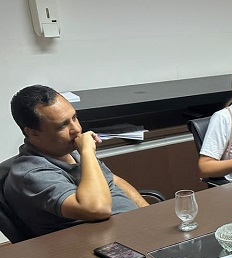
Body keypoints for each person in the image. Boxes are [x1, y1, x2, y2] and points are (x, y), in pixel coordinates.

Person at [6, 85, 149, 237]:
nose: (76, 129)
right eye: (62, 125)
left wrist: (147, 213)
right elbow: (98, 208)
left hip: (134, 229)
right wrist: (87, 152)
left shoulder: (69, 150)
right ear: (33, 133)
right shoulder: (30, 174)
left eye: (74, 118)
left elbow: (113, 181)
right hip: (101, 243)